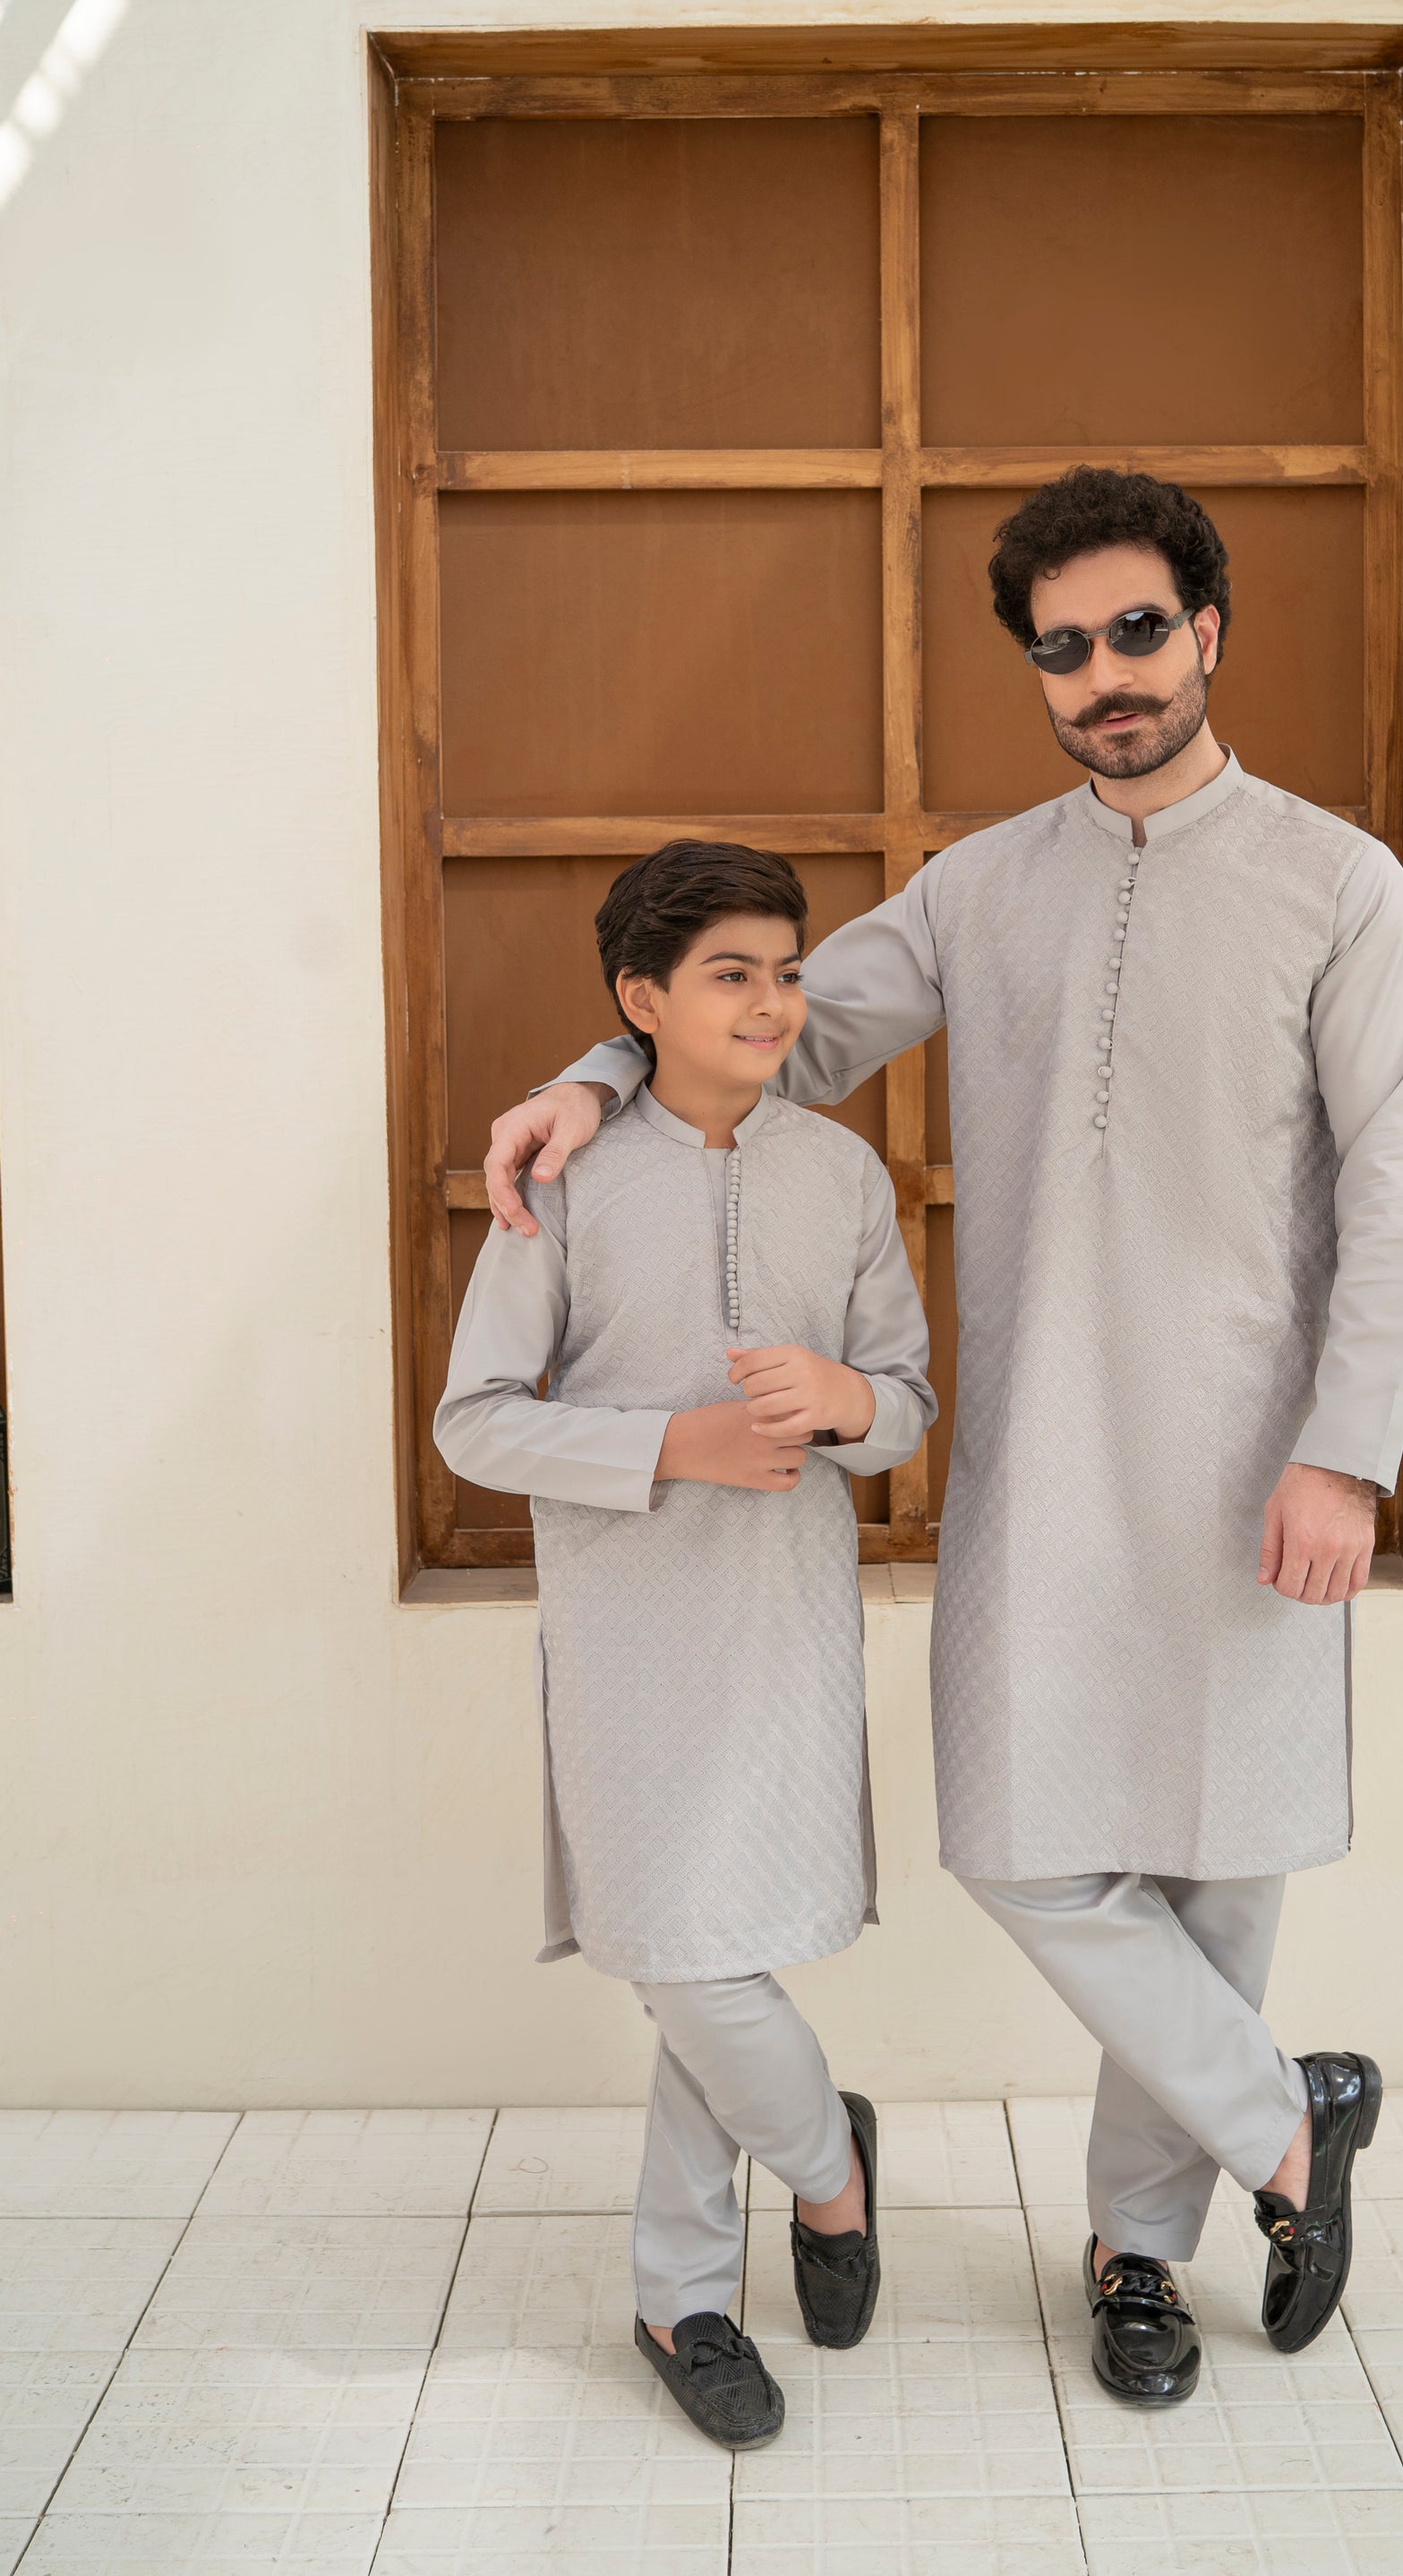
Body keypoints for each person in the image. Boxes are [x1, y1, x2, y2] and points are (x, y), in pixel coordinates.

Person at [481, 469, 1403, 2406]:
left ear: (1206, 630)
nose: (1104, 674)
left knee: (1214, 1874)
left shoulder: (1339, 883)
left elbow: (1396, 1182)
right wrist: (592, 1072)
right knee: (1020, 1842)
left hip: (1253, 1458)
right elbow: (764, 1028)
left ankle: (1139, 2250)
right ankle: (1288, 2124)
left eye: (1136, 631)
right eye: (1062, 648)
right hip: (1036, 1450)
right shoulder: (980, 889)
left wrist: (1346, 1449)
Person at [435, 841, 937, 2448]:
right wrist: (676, 1445)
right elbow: (474, 1423)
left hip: (785, 1625)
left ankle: (680, 2297)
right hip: (628, 1634)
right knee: (676, 1949)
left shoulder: (840, 1178)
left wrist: (846, 1402)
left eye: (786, 972)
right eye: (732, 975)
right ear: (639, 1001)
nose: (773, 1003)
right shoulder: (566, 1178)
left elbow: (905, 1405)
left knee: (711, 1959)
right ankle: (828, 2166)